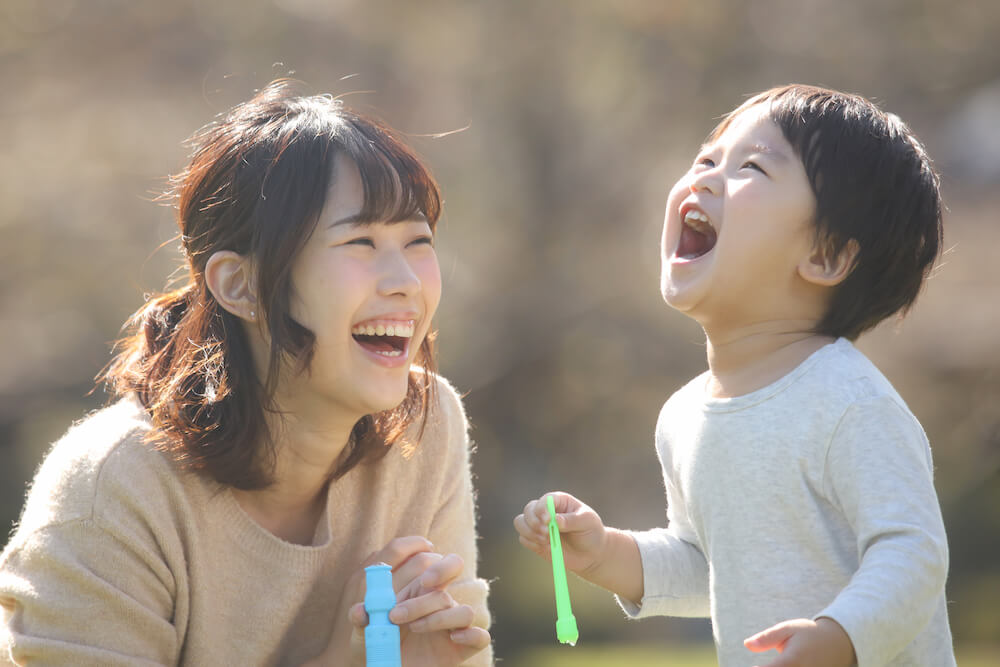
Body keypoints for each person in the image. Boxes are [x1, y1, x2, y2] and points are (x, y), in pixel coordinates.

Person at [0, 79, 492, 666]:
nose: (406, 282)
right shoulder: (115, 487)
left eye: (417, 240)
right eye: (360, 241)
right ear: (241, 286)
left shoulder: (427, 429)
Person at [515, 84, 955, 667]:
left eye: (751, 167)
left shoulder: (849, 402)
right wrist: (606, 554)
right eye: (705, 159)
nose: (704, 179)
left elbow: (913, 553)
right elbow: (709, 563)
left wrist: (841, 635)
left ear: (825, 256)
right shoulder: (684, 416)